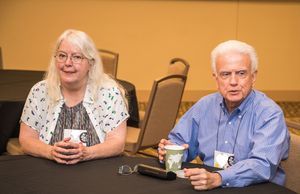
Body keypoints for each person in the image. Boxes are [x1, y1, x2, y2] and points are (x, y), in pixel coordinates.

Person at [158, 40, 290, 190]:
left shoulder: (270, 114)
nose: (233, 82)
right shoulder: (205, 106)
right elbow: (180, 142)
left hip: (258, 188)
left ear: (253, 77)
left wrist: (219, 178)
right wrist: (170, 151)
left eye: (241, 73)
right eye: (225, 74)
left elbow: (262, 165)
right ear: (216, 79)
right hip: (212, 185)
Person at [19, 29, 129, 164]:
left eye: (77, 57)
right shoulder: (40, 91)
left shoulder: (109, 93)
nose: (68, 63)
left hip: (97, 171)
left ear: (91, 63)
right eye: (62, 55)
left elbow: (117, 143)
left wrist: (87, 153)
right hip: (48, 171)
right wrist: (50, 152)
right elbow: (26, 139)